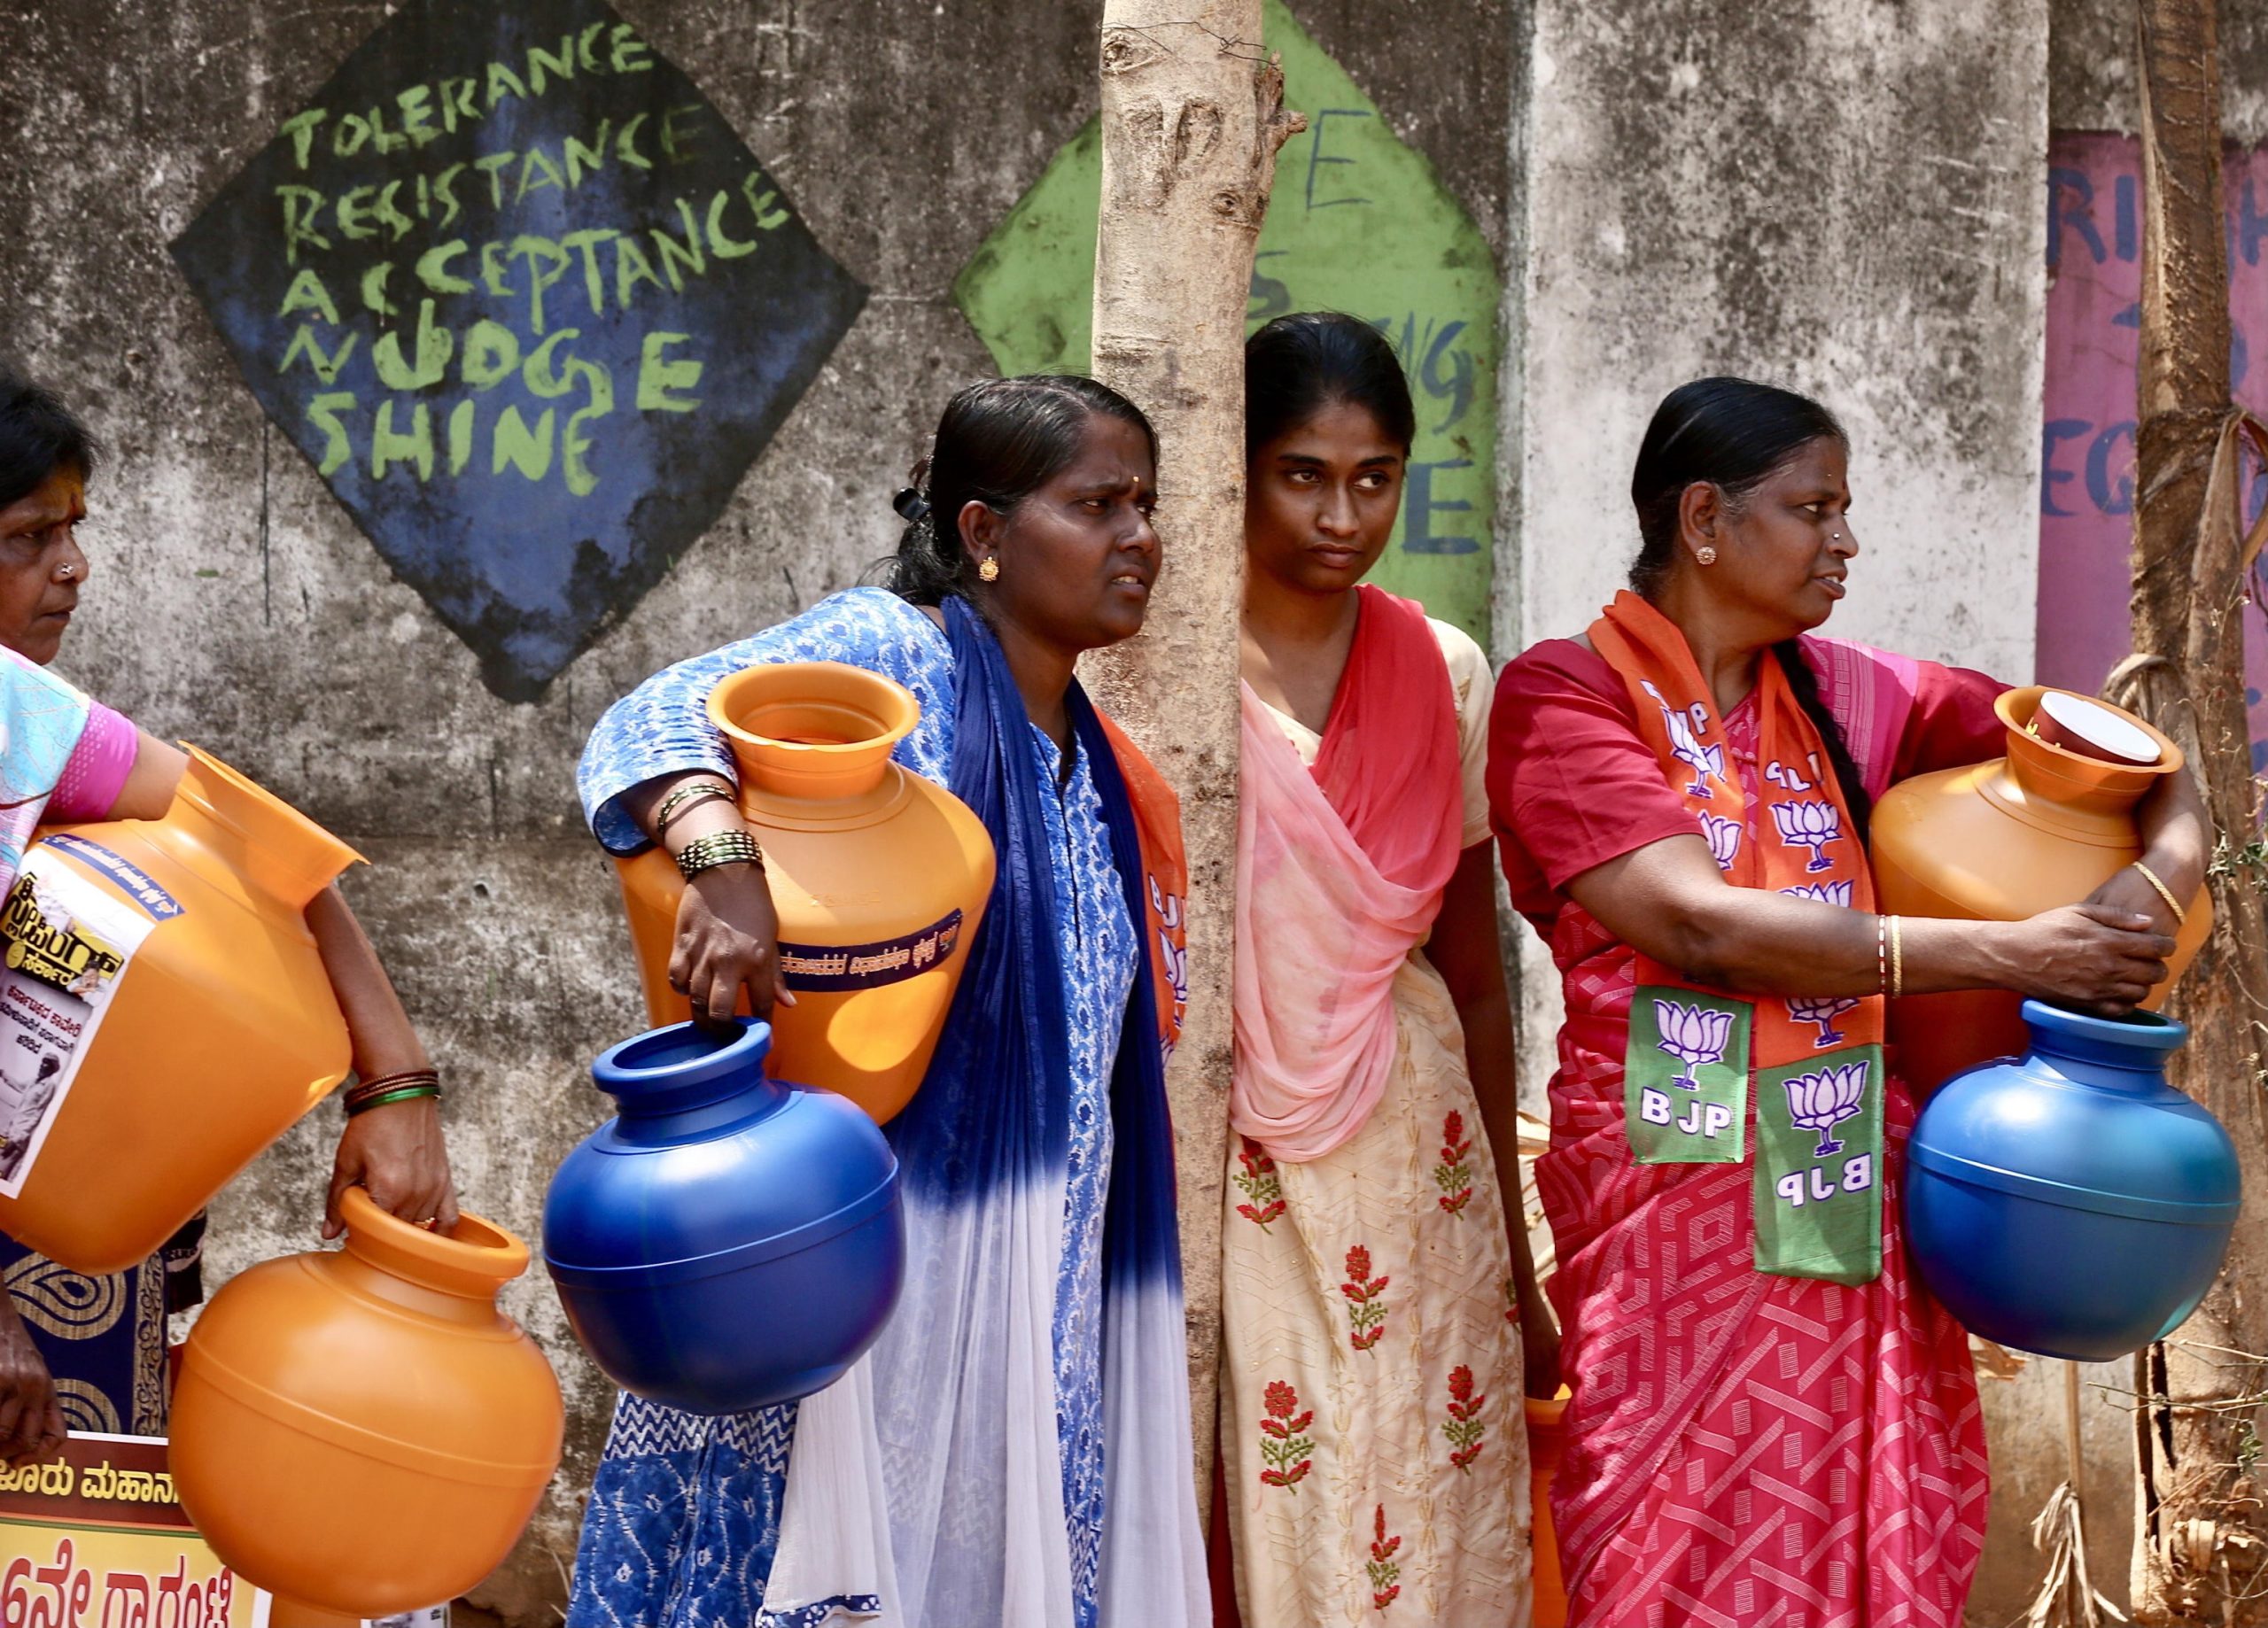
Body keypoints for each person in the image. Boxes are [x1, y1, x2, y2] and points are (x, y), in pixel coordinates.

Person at [1487, 376, 2201, 1626]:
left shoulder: (1861, 698)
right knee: (1659, 1550)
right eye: (1814, 509)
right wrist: (2016, 955)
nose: (1846, 540)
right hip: (1665, 1205)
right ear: (1704, 519)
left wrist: (2164, 862)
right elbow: (1699, 924)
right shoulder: (1566, 695)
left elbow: (2129, 750)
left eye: (1844, 509)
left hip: (1841, 1182)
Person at [568, 375, 1205, 1628]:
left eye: (1146, 504)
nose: (1139, 536)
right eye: (1097, 505)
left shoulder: (1091, 761)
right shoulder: (899, 653)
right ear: (982, 531)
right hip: (861, 1283)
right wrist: (724, 864)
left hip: (1039, 1288)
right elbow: (650, 717)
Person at [0, 366, 458, 1467]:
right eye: (28, 536)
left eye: (73, 528)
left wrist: (396, 1084)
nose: (73, 564)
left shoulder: (22, 715)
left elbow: (252, 843)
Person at [1216, 313, 1552, 1628]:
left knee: (1430, 1474)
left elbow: (1473, 973)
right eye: (1302, 473)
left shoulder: (1446, 668)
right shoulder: (1166, 671)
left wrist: (1514, 1251)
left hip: (1421, 1155)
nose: (1342, 515)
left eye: (1376, 477)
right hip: (1233, 1155)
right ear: (1236, 468)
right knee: (1277, 1485)